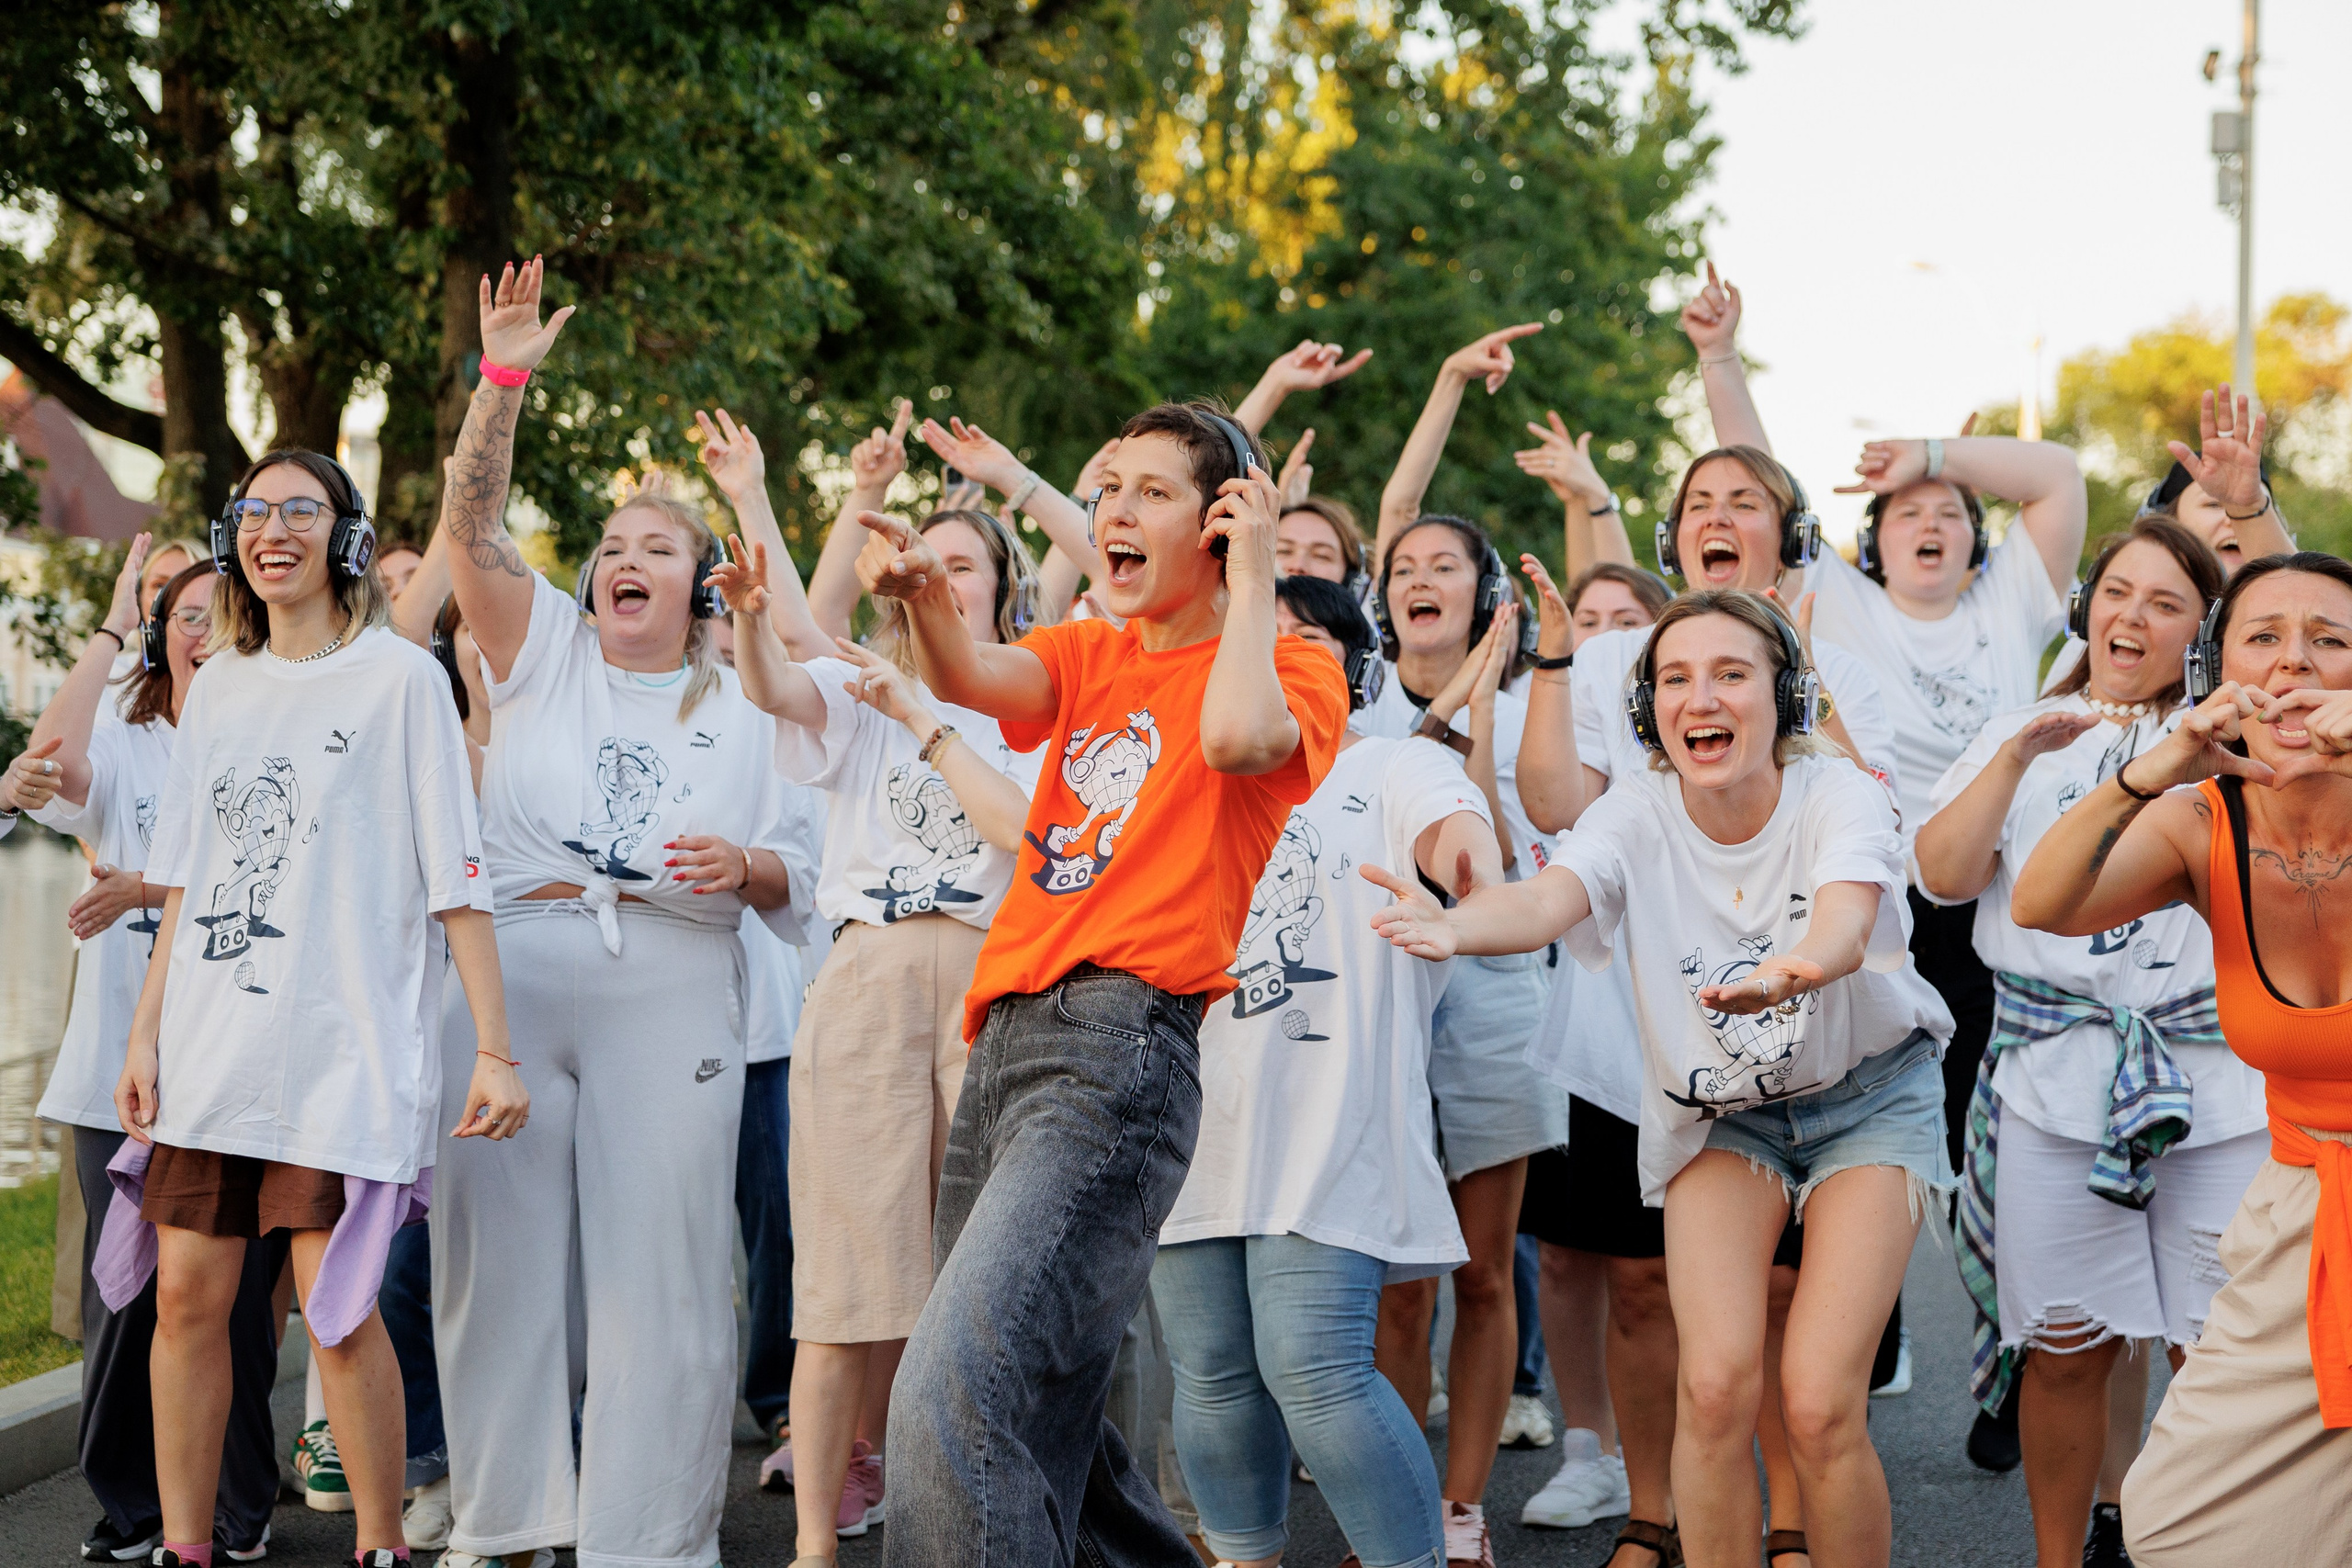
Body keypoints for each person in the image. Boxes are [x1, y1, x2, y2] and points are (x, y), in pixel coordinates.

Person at [853, 396, 1346, 1566]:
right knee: (1045, 1420)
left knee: (945, 1398)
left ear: (1222, 528)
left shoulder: (1292, 666)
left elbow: (1234, 742)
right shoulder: (1090, 651)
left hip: (1116, 1059)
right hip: (1008, 1041)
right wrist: (922, 590)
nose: (1114, 510)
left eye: (1151, 493)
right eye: (1106, 486)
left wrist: (1259, 571)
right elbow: (974, 676)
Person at [1369, 591, 1954, 1568]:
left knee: (1814, 1399)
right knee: (1716, 1386)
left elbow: (1848, 921)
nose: (1699, 698)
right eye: (1674, 679)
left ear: (1784, 697)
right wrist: (1455, 925)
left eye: (1730, 674)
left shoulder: (1835, 791)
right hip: (1723, 1116)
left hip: (1867, 1100)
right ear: (1647, 713)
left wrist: (1793, 971)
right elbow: (1554, 895)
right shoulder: (1637, 808)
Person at [422, 258, 821, 1568]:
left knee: (663, 1266)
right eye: (609, 546)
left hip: (673, 975)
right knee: (498, 1259)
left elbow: (802, 867)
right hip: (517, 976)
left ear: (705, 584)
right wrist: (505, 380)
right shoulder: (539, 648)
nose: (622, 558)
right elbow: (471, 534)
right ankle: (508, 1515)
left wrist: (748, 868)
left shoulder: (752, 698)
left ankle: (650, 1535)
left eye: (658, 545)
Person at [104, 446, 527, 1568]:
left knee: (335, 1311)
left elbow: (458, 879)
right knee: (188, 1301)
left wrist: (495, 1049)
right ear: (229, 536)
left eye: (301, 509)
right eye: (253, 511)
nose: (271, 529)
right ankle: (186, 1550)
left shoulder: (398, 680)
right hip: (212, 1044)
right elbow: (189, 881)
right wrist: (145, 1032)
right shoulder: (222, 684)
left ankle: (379, 1546)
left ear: (344, 535)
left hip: (341, 1051)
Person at [710, 465, 1046, 1564]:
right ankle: (813, 1542)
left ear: (1000, 593)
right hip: (868, 980)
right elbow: (775, 681)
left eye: (962, 565)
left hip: (999, 985)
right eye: (922, 560)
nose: (934, 577)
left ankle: (951, 1518)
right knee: (844, 1275)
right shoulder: (859, 688)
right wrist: (756, 611)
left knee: (977, 1274)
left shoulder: (1041, 710)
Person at [1915, 517, 2265, 1568]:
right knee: (2065, 1348)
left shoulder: (2239, 739)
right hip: (2053, 1079)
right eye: (2117, 591)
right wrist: (2016, 752)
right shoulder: (2020, 730)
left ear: (2202, 634)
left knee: (2215, 1358)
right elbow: (1939, 876)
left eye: (2166, 603)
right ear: (2084, 607)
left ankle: (2189, 1548)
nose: (2132, 617)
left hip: (2218, 1087)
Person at [2011, 551, 2352, 1567]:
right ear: (2216, 672)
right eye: (2263, 638)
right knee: (2176, 1525)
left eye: (2328, 642)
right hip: (2302, 1211)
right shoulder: (2200, 823)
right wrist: (2152, 767)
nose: (2294, 664)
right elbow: (2044, 903)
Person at [1151, 572, 1497, 1568]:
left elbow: (1457, 836)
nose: (1268, 656)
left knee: (1316, 1369)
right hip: (1190, 1111)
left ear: (1355, 667)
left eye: (1300, 639)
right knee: (1211, 1372)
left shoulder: (1388, 766)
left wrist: (1468, 884)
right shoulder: (1188, 769)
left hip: (1329, 1116)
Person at [10, 538, 283, 1566]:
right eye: (187, 616)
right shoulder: (127, 742)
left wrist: (148, 889)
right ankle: (131, 1509)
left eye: (226, 614)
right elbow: (43, 763)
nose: (207, 631)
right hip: (113, 1074)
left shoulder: (274, 736)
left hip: (236, 1060)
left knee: (237, 1302)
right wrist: (112, 622)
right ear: (162, 640)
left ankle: (238, 1511)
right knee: (121, 1298)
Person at [1511, 558, 1676, 1562]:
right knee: (1566, 1257)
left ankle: (1667, 1474)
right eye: (1587, 625)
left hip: (1677, 1044)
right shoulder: (1567, 723)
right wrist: (1558, 658)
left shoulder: (1687, 745)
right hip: (1576, 1036)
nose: (1602, 637)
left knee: (1654, 1278)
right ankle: (1588, 1449)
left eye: (1624, 624)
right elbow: (1547, 803)